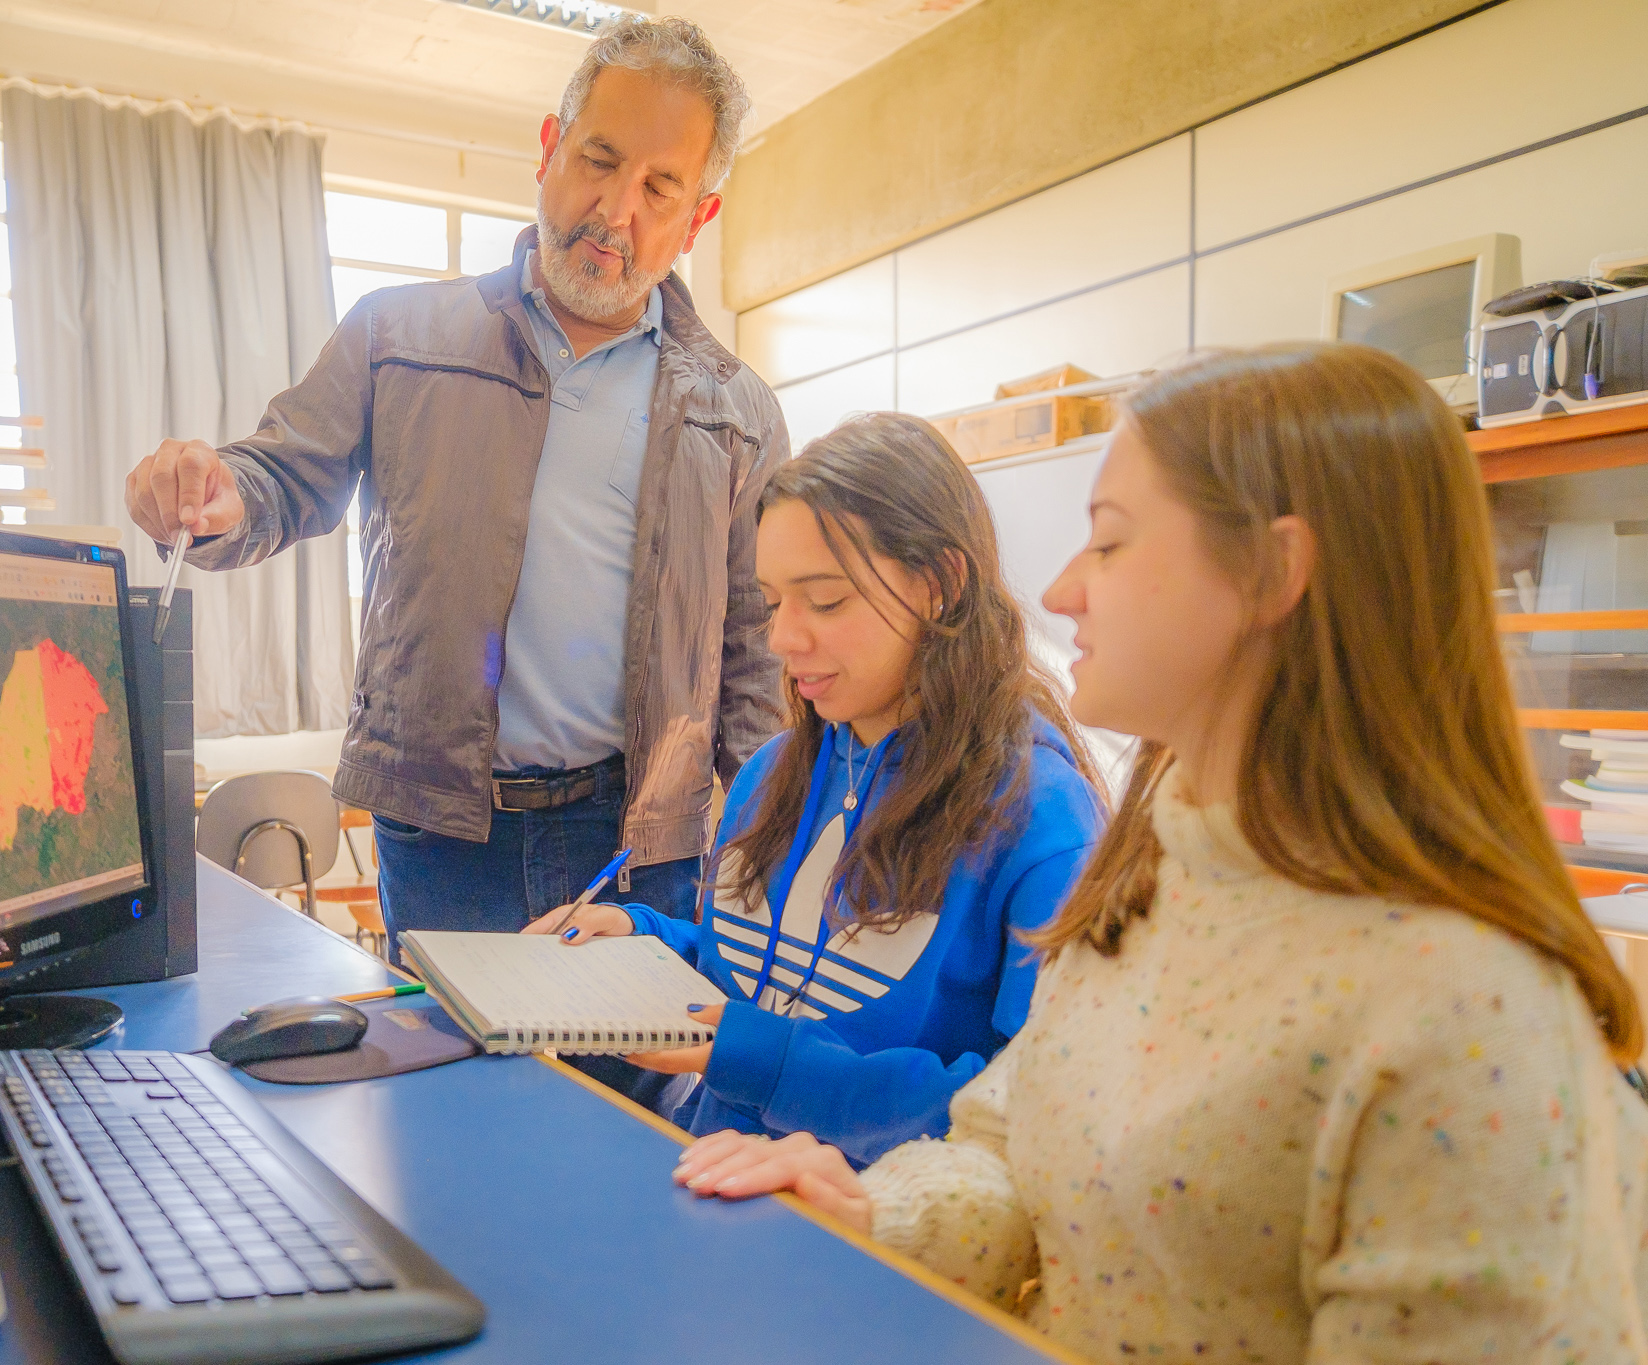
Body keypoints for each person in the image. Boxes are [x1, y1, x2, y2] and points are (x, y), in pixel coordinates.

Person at [671, 343, 1648, 1361]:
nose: (1056, 592)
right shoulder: (1155, 873)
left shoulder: (1469, 1018)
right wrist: (873, 1216)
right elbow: (1012, 1147)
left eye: (1107, 543)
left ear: (1273, 571)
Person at [121, 18, 787, 942]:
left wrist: (772, 851)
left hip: (638, 852)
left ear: (696, 217)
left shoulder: (738, 410)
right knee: (445, 1082)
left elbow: (760, 650)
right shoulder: (396, 335)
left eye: (658, 186)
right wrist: (214, 496)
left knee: (621, 1093)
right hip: (441, 837)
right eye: (598, 159)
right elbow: (279, 473)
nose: (615, 209)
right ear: (550, 150)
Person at [524, 414, 1102, 1164]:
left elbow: (1024, 1110)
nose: (781, 638)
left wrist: (763, 1060)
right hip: (706, 1177)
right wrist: (646, 938)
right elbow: (770, 971)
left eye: (824, 601)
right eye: (771, 601)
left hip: (871, 1232)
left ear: (941, 585)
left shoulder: (1041, 821)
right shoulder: (771, 775)